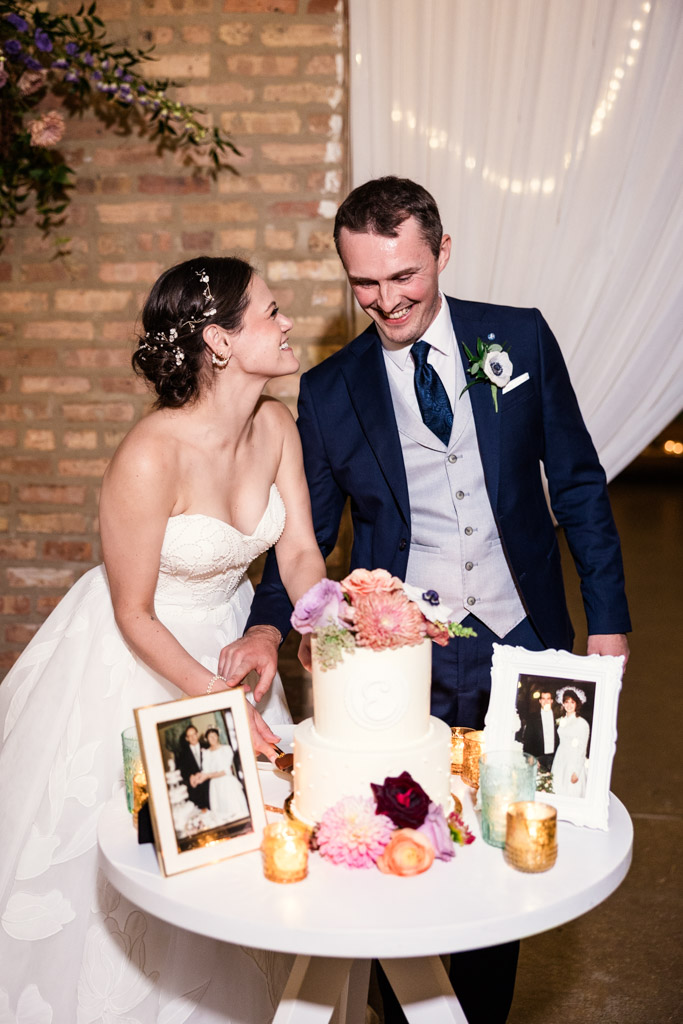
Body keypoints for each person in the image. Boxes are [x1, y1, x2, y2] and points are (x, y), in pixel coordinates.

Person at [244, 177, 631, 1023]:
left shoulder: (518, 338)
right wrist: (268, 625)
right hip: (404, 655)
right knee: (396, 836)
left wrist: (606, 616)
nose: (386, 302)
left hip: (526, 634)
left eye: (404, 278)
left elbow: (575, 484)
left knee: (511, 837)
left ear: (442, 253)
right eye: (364, 284)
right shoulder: (329, 389)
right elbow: (300, 538)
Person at [0, 256, 326, 1022]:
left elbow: (301, 552)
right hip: (141, 659)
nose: (287, 325)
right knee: (145, 867)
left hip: (233, 650)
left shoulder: (277, 425)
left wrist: (329, 619)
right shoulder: (150, 454)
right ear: (219, 340)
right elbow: (132, 610)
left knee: (241, 859)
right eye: (271, 313)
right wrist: (211, 698)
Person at [200, 727, 249, 822]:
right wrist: (206, 775)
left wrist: (208, 775)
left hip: (227, 783)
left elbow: (226, 771)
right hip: (215, 786)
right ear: (207, 739)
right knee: (221, 815)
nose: (213, 739)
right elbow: (205, 770)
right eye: (210, 737)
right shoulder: (206, 753)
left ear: (218, 736)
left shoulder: (226, 749)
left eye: (214, 736)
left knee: (235, 809)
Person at [552, 687, 590, 797]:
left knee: (570, 791)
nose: (569, 705)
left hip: (573, 761)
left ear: (576, 704)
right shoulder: (562, 720)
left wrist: (576, 772)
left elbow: (582, 749)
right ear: (563, 704)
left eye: (572, 702)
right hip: (560, 758)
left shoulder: (582, 723)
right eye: (566, 702)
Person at [522, 689, 560, 772]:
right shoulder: (532, 717)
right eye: (543, 698)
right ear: (540, 701)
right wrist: (531, 757)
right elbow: (527, 739)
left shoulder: (558, 717)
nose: (545, 701)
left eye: (548, 698)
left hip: (555, 757)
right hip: (538, 757)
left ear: (551, 701)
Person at [176, 723, 211, 809]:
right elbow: (181, 772)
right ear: (187, 738)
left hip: (210, 786)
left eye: (194, 734)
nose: (192, 737)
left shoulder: (207, 747)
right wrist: (189, 777)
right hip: (196, 791)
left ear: (197, 734)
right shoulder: (182, 754)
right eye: (189, 736)